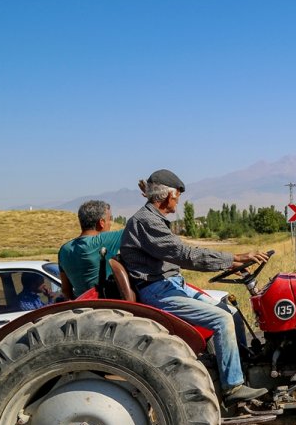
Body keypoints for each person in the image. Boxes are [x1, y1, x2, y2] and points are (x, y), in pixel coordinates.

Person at [119, 169, 270, 405]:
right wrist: (234, 257)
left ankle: (243, 367)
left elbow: (184, 251)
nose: (178, 202)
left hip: (169, 284)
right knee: (222, 319)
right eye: (177, 197)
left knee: (231, 312)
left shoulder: (153, 220)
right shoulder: (146, 222)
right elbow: (185, 255)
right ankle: (232, 388)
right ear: (168, 196)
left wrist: (237, 261)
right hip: (157, 291)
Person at [58, 200, 124, 299]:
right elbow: (137, 227)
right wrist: (151, 197)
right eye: (110, 219)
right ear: (101, 222)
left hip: (80, 306)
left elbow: (66, 290)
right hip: (105, 306)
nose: (110, 223)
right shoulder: (104, 240)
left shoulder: (64, 250)